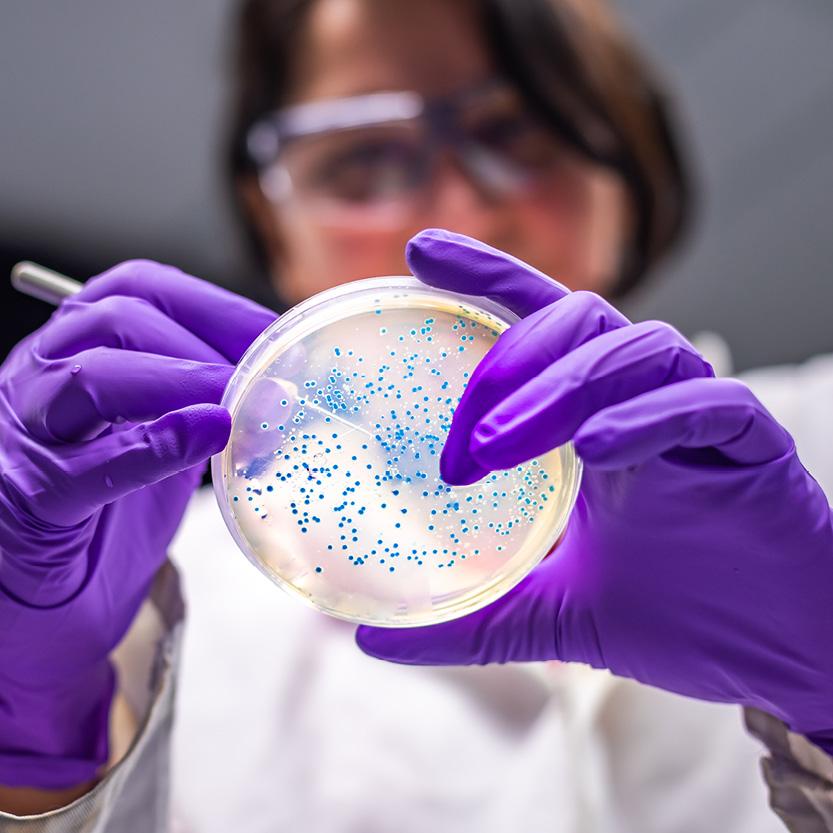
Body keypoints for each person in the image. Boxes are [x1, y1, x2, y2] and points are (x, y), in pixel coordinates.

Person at [1, 0, 832, 831]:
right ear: (274, 224)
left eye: (518, 134)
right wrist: (35, 727)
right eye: (362, 158)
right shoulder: (172, 593)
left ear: (632, 171)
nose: (457, 212)